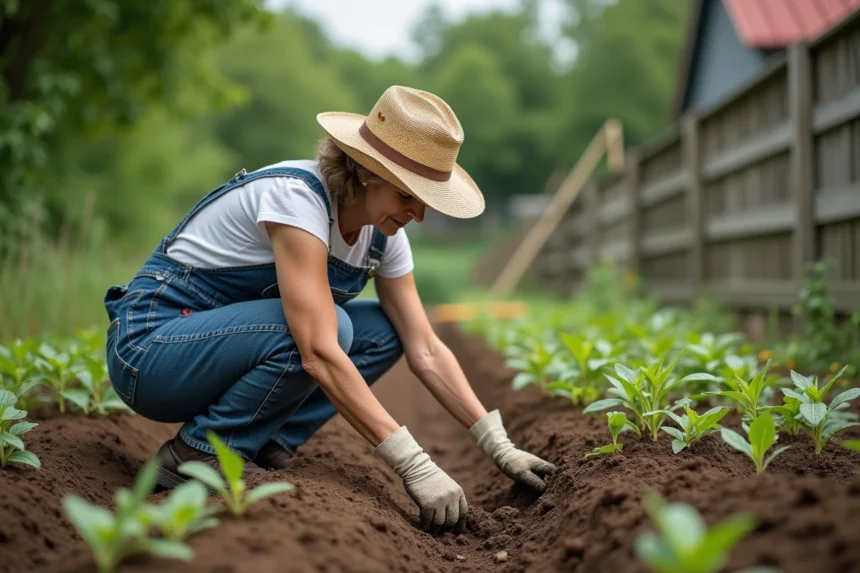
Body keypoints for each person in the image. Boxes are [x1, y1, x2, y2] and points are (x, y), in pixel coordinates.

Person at [103, 85, 556, 535]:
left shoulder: (385, 238)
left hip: (210, 352)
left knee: (384, 329)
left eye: (427, 201)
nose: (417, 214)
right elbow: (317, 350)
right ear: (364, 172)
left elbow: (426, 347)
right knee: (327, 331)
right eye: (407, 196)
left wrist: (498, 445)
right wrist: (414, 465)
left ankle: (261, 443)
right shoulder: (296, 199)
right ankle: (196, 456)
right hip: (150, 352)